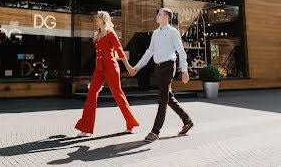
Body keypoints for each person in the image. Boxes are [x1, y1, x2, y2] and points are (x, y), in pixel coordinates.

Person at [131, 8, 193, 142]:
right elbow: (150, 51)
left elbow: (181, 52)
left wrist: (184, 71)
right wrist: (138, 66)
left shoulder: (173, 32)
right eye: (157, 14)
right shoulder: (155, 33)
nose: (157, 16)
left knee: (163, 99)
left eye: (159, 15)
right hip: (158, 67)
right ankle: (187, 121)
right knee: (168, 97)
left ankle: (155, 131)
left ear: (166, 17)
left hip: (168, 66)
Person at [75, 11, 139, 137]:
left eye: (99, 17)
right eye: (97, 17)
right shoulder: (97, 34)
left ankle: (130, 123)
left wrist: (129, 67)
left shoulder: (110, 33)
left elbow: (120, 52)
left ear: (104, 19)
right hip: (99, 69)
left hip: (111, 67)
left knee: (117, 94)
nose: (96, 19)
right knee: (91, 94)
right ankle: (86, 127)